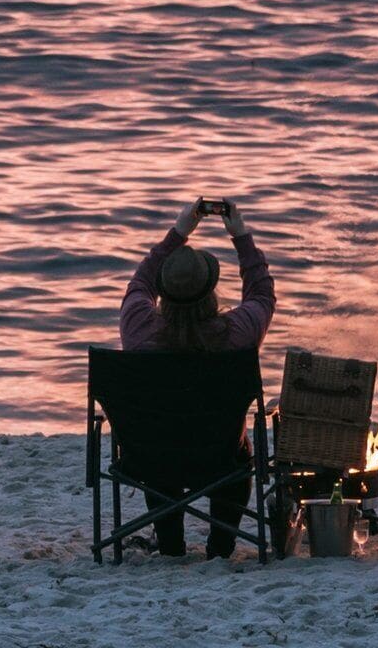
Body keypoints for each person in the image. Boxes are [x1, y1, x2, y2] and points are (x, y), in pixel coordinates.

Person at [116, 197, 275, 555]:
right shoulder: (237, 333)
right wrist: (240, 235)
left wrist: (179, 232)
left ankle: (171, 543)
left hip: (152, 459)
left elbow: (139, 283)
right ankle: (221, 543)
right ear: (211, 290)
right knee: (235, 451)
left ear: (164, 293)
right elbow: (262, 293)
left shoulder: (139, 328)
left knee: (162, 440)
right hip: (221, 459)